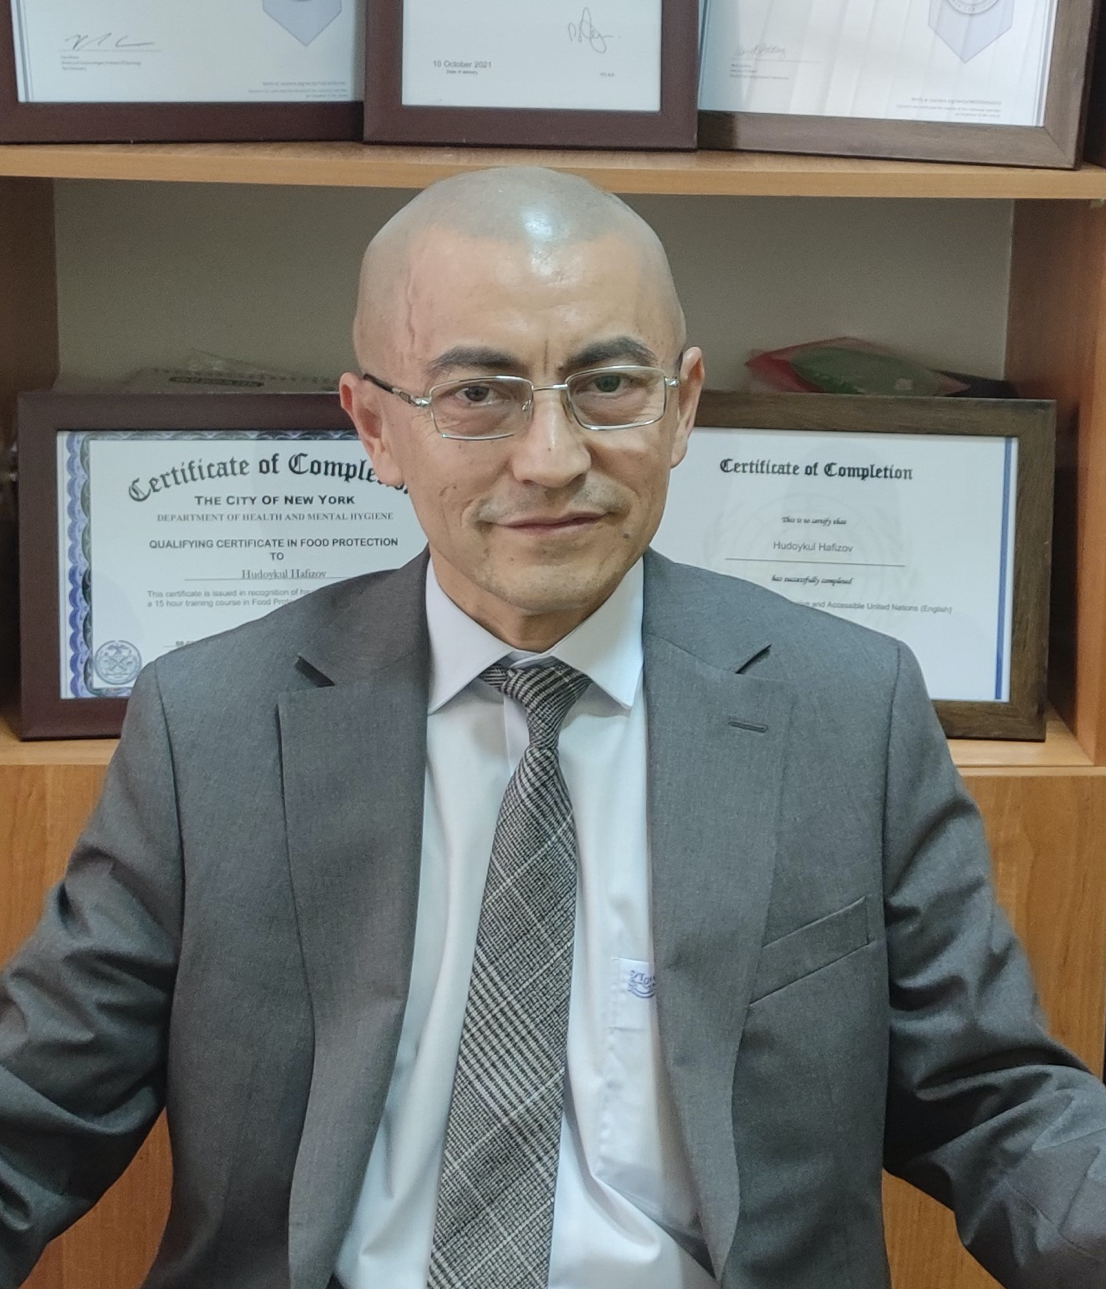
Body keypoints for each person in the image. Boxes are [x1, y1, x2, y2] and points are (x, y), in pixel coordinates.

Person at [1, 166, 1105, 1289]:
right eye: (476, 394)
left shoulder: (846, 709)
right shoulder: (214, 726)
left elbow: (996, 1101)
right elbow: (35, 1102)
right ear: (376, 428)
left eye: (607, 385)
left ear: (681, 406)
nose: (551, 459)